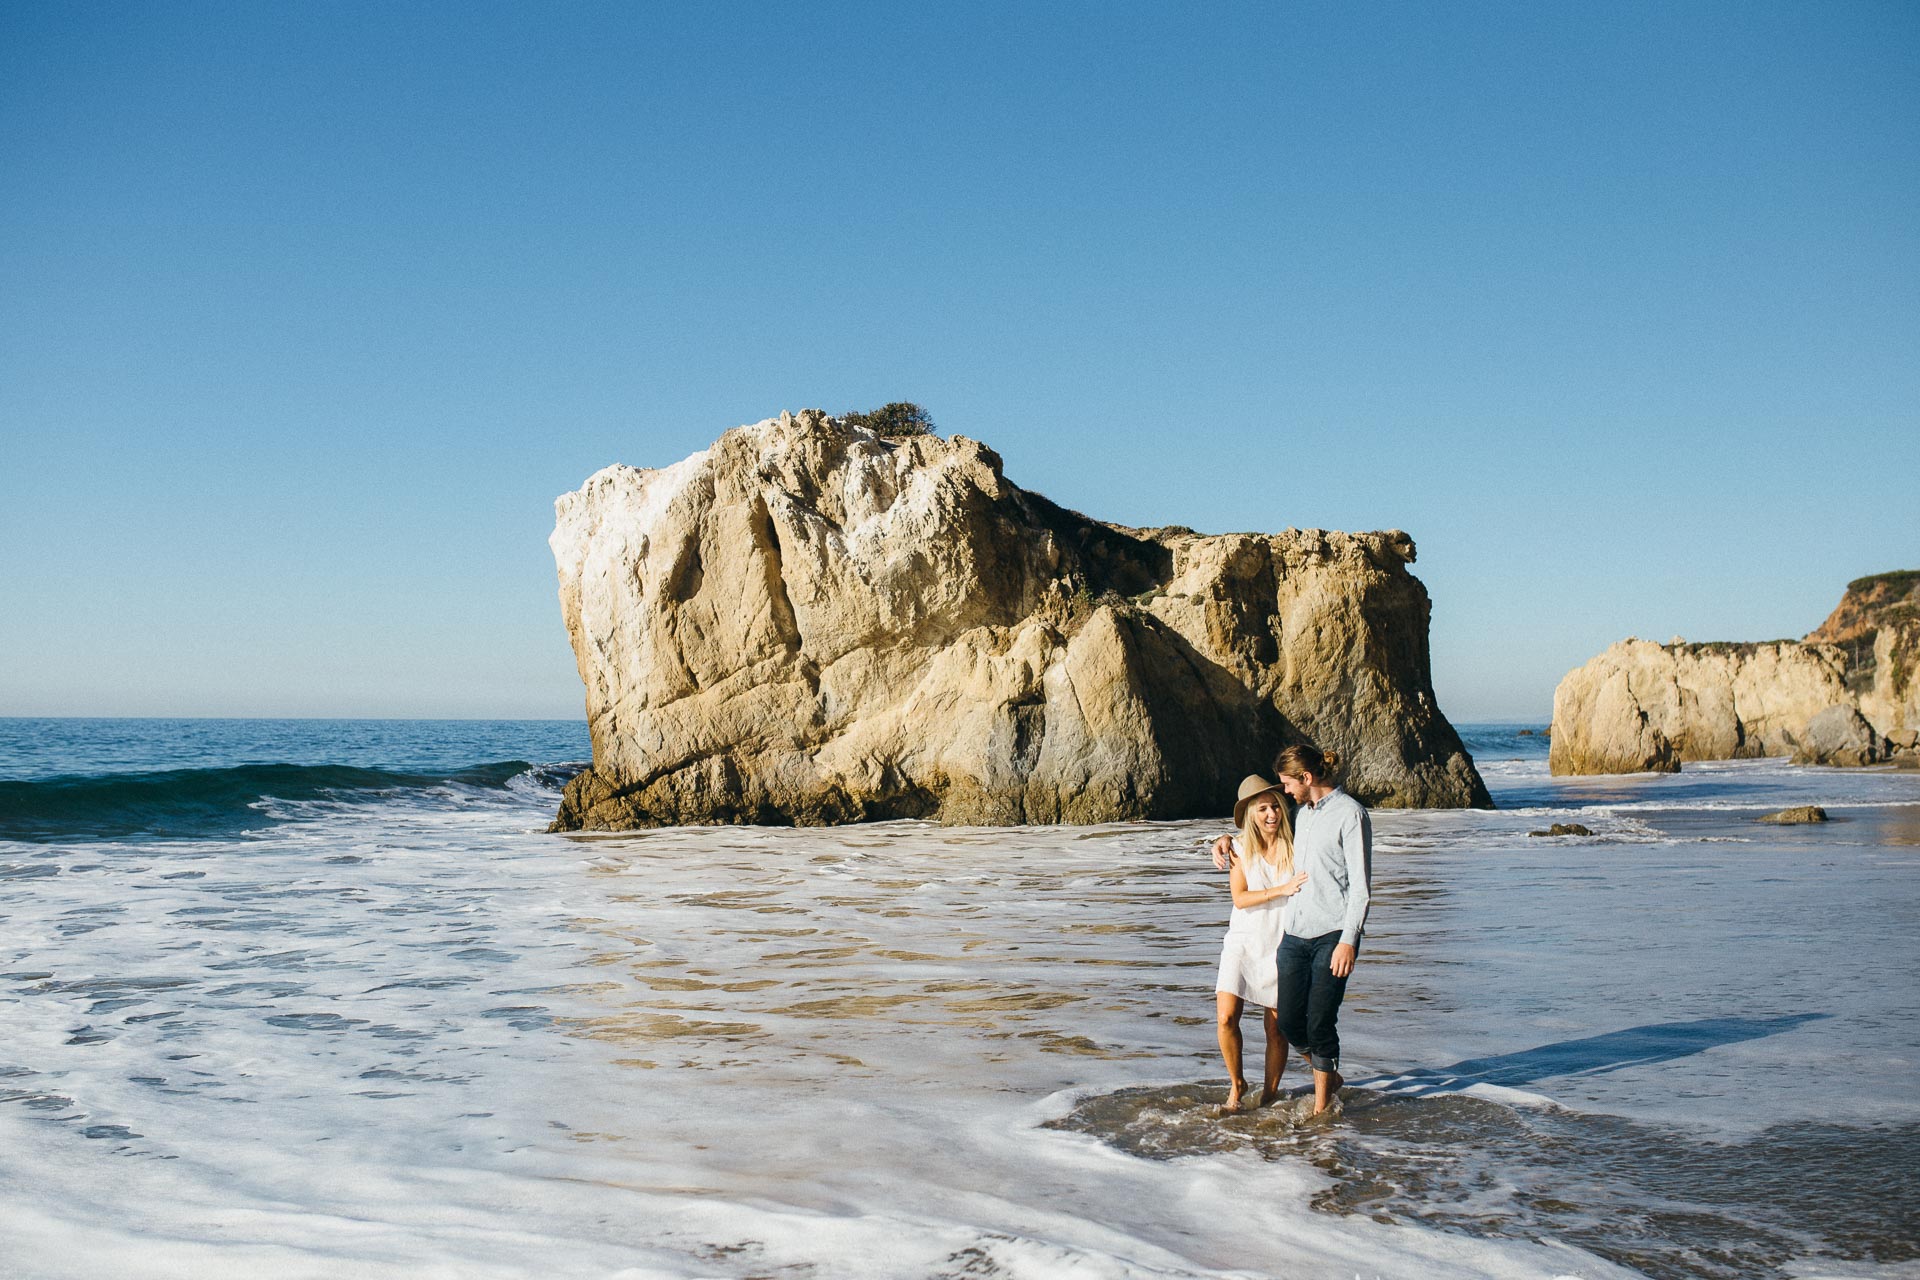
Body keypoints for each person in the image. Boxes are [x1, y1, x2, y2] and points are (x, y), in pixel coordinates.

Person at [1212, 744, 1371, 1116]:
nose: (1278, 801)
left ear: (1305, 779)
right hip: (1270, 938)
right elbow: (1249, 850)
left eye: (1283, 789)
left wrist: (1349, 938)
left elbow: (1357, 883)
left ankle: (1298, 1100)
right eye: (1265, 803)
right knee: (1257, 1019)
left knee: (1300, 1024)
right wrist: (1219, 838)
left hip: (1308, 935)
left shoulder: (1326, 820)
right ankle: (1254, 1084)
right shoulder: (1274, 830)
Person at [1213, 775, 1309, 1112]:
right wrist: (1280, 890)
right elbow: (1239, 898)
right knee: (1226, 1017)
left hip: (1281, 940)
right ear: (1252, 814)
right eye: (1263, 809)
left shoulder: (1298, 845)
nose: (1271, 814)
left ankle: (1269, 1093)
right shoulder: (1239, 849)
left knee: (1275, 1027)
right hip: (1243, 940)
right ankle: (1236, 1085)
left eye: (1274, 806)